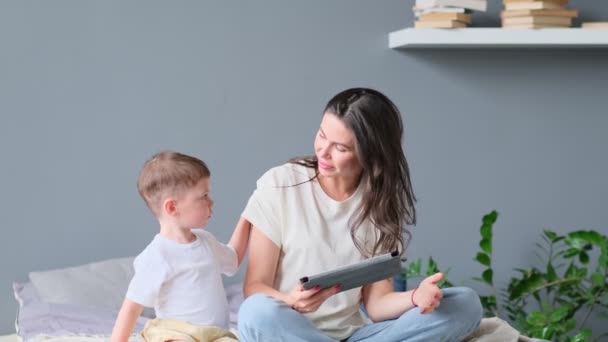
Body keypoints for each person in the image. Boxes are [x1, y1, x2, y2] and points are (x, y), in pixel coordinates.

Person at [236, 88, 483, 341]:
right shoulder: (280, 184)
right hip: (288, 329)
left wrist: (415, 297)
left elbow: (376, 305)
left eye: (340, 148)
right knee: (257, 311)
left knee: (464, 303)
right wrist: (291, 301)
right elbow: (255, 287)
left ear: (369, 154)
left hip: (356, 335)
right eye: (322, 135)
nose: (323, 151)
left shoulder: (379, 203)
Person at [111, 151, 250, 342]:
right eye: (204, 196)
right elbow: (132, 307)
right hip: (175, 333)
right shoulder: (157, 255)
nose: (212, 202)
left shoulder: (206, 242)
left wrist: (248, 218)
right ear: (172, 208)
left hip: (215, 335)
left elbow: (233, 259)